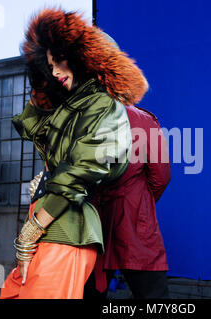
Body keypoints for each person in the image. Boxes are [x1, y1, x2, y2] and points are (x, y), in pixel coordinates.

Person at [0, 7, 148, 299]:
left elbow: (83, 171)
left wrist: (30, 233)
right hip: (47, 226)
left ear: (84, 59)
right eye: (49, 65)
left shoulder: (104, 107)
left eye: (59, 62)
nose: (54, 71)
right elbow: (32, 129)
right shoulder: (73, 107)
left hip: (64, 232)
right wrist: (41, 85)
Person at [84, 103, 171, 299]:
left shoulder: (81, 119)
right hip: (134, 222)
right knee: (153, 296)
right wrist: (141, 204)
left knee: (88, 292)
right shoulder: (143, 120)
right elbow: (161, 176)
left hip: (93, 224)